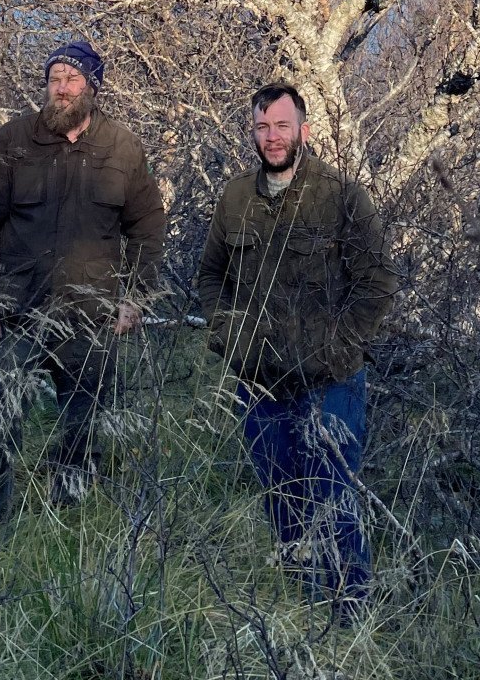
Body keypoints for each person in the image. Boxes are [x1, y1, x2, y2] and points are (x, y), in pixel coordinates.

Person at [198, 83, 397, 620]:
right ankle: (302, 611)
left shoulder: (342, 195)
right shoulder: (235, 199)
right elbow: (211, 278)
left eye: (281, 126)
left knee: (333, 498)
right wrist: (229, 338)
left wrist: (340, 352)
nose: (272, 137)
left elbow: (376, 283)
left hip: (330, 382)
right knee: (281, 498)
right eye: (262, 127)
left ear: (303, 130)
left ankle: (349, 618)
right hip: (260, 383)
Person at [0, 41, 166, 521]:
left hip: (90, 317)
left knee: (84, 424)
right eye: (55, 80)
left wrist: (136, 297)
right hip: (15, 312)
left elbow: (148, 228)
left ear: (92, 88)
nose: (62, 89)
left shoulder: (123, 148)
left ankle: (68, 519)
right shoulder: (14, 141)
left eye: (72, 80)